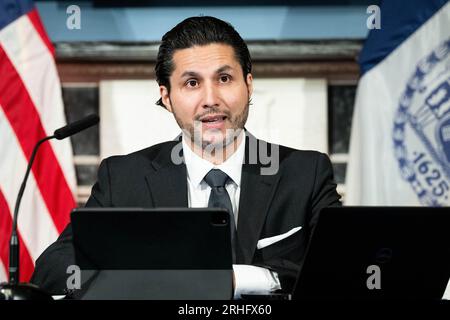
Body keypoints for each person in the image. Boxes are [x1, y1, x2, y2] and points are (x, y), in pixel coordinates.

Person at [31, 16, 341, 299]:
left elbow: (341, 272)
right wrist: (160, 279)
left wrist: (234, 279)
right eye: (192, 83)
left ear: (248, 84)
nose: (211, 100)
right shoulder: (124, 178)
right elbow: (55, 270)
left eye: (224, 79)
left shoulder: (305, 173)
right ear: (166, 97)